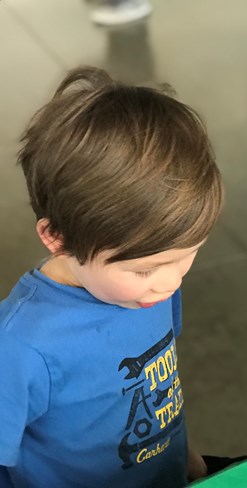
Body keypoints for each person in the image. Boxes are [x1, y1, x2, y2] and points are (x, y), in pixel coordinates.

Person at [0, 67, 225, 487]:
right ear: (57, 237)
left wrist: (188, 459)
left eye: (188, 255)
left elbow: (157, 394)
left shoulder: (150, 292)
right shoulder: (20, 346)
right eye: (143, 269)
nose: (170, 282)